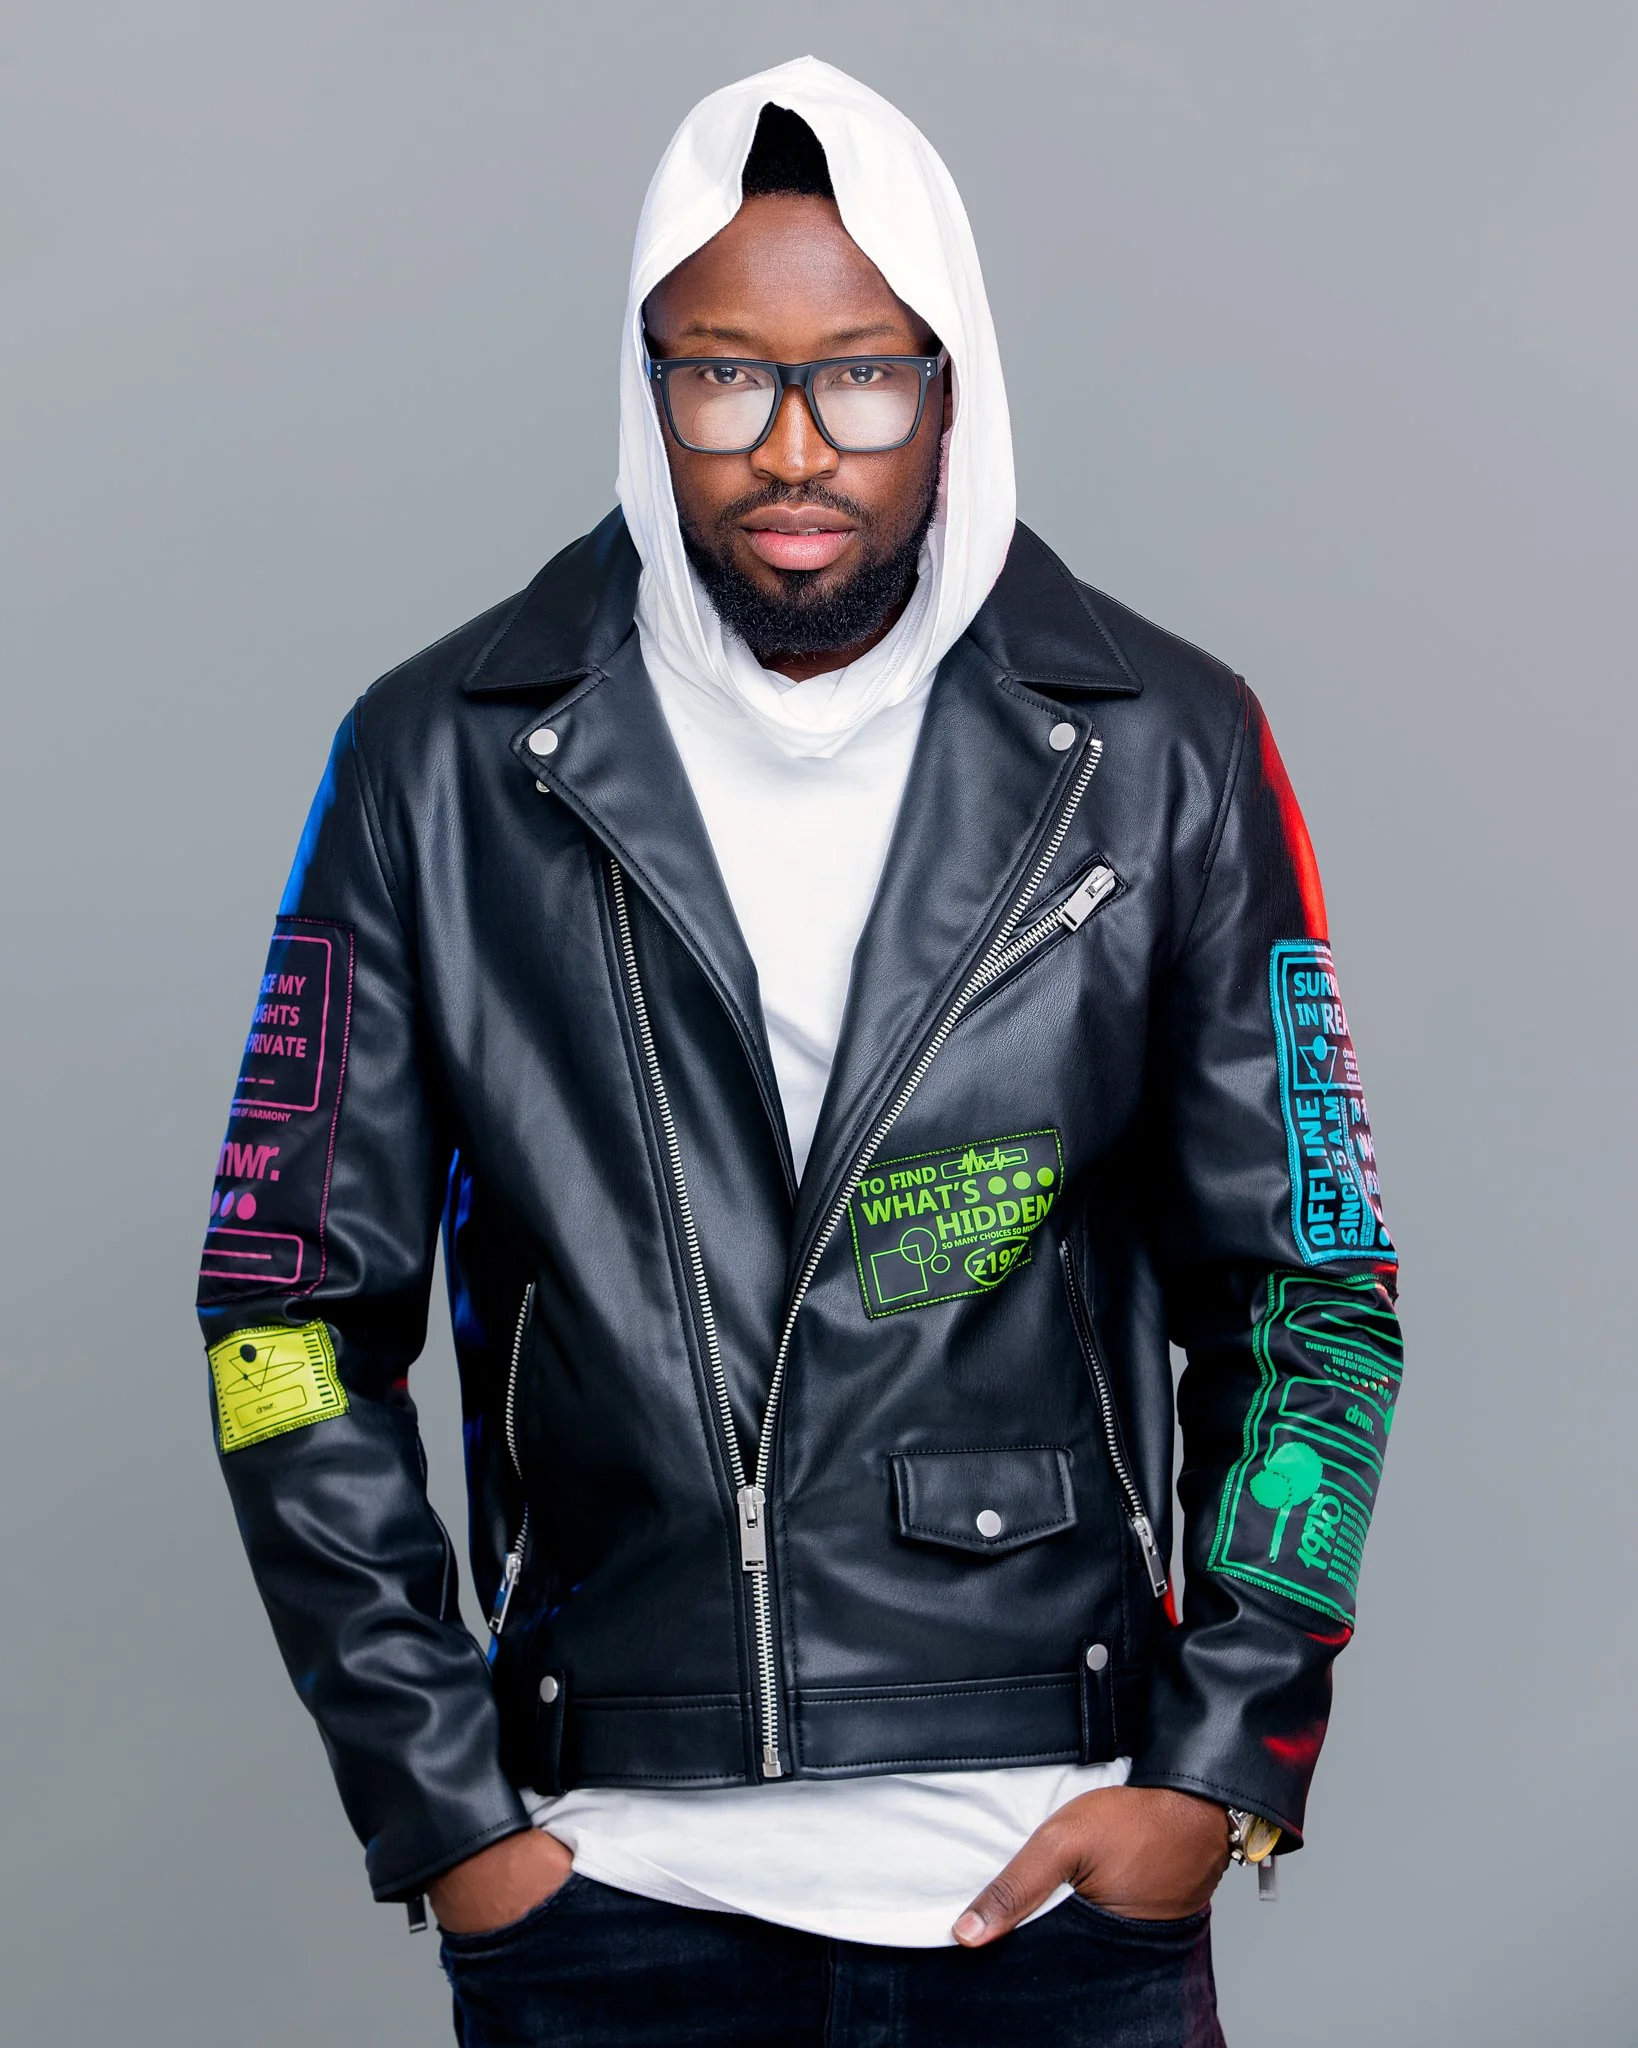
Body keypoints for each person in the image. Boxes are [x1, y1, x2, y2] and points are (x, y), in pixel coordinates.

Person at [197, 56, 1401, 2048]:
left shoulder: (1163, 749)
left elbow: (1316, 1298)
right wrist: (444, 1810)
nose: (791, 448)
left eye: (860, 375)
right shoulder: (437, 761)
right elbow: (282, 1314)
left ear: (950, 383)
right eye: (722, 377)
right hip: (605, 1898)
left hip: (1046, 1884)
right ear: (647, 382)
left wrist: (1220, 1769)